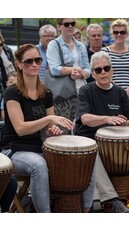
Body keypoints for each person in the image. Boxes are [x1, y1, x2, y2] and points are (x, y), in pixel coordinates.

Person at [74, 50, 129, 213]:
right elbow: (84, 118)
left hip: (117, 142)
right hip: (91, 139)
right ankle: (112, 201)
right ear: (93, 74)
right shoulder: (86, 90)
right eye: (98, 70)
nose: (103, 72)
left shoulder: (120, 92)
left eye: (106, 68)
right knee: (92, 151)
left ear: (112, 70)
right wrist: (107, 119)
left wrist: (124, 122)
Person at [1, 43, 74, 213]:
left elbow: (48, 128)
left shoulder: (46, 92)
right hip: (14, 150)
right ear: (19, 64)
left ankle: (79, 210)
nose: (34, 64)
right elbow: (20, 128)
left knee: (71, 159)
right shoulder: (12, 93)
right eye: (28, 61)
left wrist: (52, 130)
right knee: (39, 165)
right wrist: (49, 119)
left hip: (38, 147)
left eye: (38, 60)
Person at [46, 18, 91, 134]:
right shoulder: (54, 44)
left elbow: (88, 69)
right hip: (63, 93)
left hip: (82, 92)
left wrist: (82, 74)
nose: (70, 26)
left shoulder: (80, 45)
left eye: (73, 23)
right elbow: (54, 69)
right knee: (63, 130)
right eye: (67, 24)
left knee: (81, 130)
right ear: (59, 26)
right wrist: (76, 69)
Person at [102, 19, 129, 112]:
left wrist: (128, 91)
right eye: (116, 32)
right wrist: (116, 90)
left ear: (126, 34)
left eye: (122, 32)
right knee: (112, 123)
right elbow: (104, 73)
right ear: (112, 34)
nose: (119, 35)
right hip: (110, 93)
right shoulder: (105, 52)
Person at [0, 33, 16, 102]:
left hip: (7, 93)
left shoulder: (7, 51)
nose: (0, 48)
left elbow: (14, 71)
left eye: (1, 45)